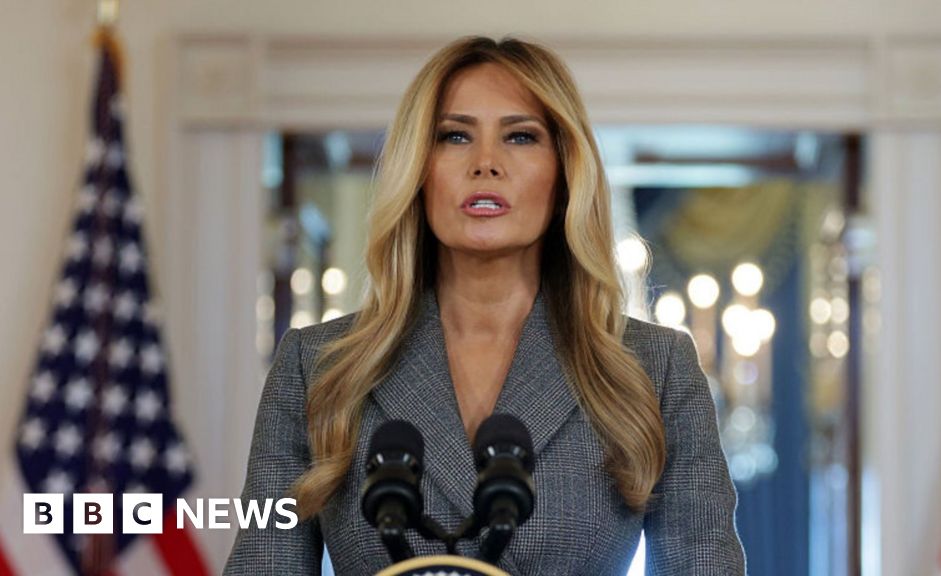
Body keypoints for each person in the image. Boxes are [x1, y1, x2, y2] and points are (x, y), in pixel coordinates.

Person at [224, 36, 745, 575]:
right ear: (418, 169)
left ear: (564, 173)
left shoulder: (655, 368)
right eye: (454, 136)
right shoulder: (318, 366)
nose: (486, 163)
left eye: (520, 136)